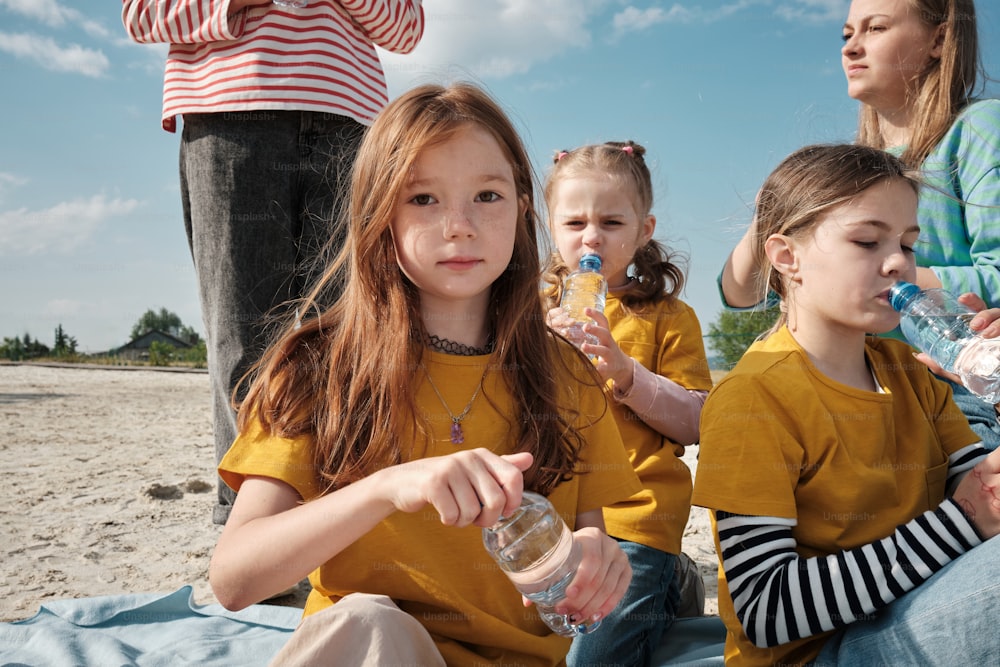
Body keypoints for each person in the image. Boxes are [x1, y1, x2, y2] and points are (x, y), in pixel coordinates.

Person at [208, 82, 643, 667]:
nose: (459, 225)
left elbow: (593, 538)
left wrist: (596, 557)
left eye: (487, 196)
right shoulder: (318, 368)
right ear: (379, 213)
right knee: (370, 623)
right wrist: (390, 487)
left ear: (522, 208)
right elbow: (235, 579)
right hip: (369, 652)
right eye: (423, 199)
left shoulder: (567, 374)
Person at [693, 143, 1000, 667]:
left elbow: (984, 487)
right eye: (866, 241)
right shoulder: (753, 398)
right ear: (787, 257)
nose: (899, 262)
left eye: (908, 243)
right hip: (818, 654)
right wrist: (964, 518)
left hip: (919, 606)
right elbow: (765, 610)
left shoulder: (912, 373)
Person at [121, 0, 425, 525]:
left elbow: (406, 29)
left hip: (351, 126)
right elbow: (144, 15)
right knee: (244, 333)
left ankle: (336, 519)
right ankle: (252, 529)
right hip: (229, 116)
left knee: (347, 334)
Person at [719, 0, 1000, 450]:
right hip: (859, 384)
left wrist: (877, 277)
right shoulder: (849, 167)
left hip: (956, 389)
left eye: (876, 28)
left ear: (940, 39)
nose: (851, 48)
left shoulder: (981, 127)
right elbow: (742, 293)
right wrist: (773, 207)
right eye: (846, 34)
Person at [541, 141, 714, 667]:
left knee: (590, 660)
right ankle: (675, 580)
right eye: (575, 224)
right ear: (552, 229)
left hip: (634, 521)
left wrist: (624, 371)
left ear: (644, 231)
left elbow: (696, 422)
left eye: (612, 222)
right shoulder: (529, 311)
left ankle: (666, 574)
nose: (592, 236)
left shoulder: (668, 316)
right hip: (553, 519)